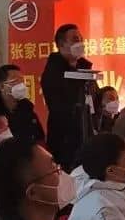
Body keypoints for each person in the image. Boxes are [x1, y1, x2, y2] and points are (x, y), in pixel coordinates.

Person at [41, 24, 98, 170]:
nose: (80, 43)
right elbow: (61, 106)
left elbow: (94, 98)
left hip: (87, 135)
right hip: (65, 140)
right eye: (75, 39)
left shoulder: (85, 69)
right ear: (61, 45)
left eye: (81, 39)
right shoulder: (53, 72)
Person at [0, 64, 45, 145]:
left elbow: (40, 139)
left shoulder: (28, 111)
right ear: (2, 86)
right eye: (15, 81)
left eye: (22, 81)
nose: (21, 85)